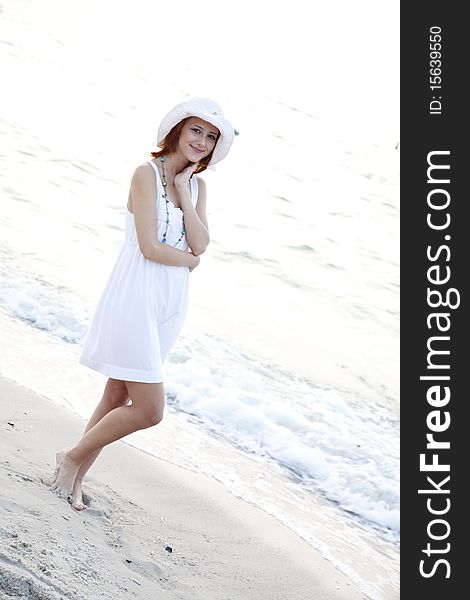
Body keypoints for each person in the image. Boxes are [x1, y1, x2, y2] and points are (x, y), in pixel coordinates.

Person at [47, 97, 235, 510]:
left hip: (169, 304)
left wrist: (186, 193)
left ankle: (75, 474)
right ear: (178, 131)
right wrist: (189, 260)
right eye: (196, 130)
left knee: (116, 395)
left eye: (211, 136)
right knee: (150, 410)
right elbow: (150, 247)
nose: (202, 141)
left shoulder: (197, 185)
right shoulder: (144, 174)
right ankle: (71, 458)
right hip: (135, 295)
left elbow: (203, 242)